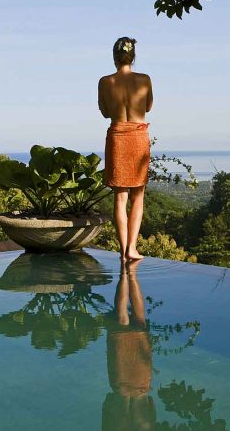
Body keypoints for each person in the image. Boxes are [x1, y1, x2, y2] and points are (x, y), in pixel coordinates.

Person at [99, 37, 153, 261]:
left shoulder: (105, 82)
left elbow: (104, 112)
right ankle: (132, 247)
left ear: (114, 57)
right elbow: (148, 107)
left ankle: (123, 251)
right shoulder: (144, 80)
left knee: (119, 198)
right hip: (139, 137)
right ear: (133, 56)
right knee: (137, 196)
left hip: (118, 137)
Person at [102, 259, 156, 430]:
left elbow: (152, 409)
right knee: (124, 319)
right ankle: (127, 276)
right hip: (123, 387)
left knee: (137, 321)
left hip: (132, 387)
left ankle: (128, 277)